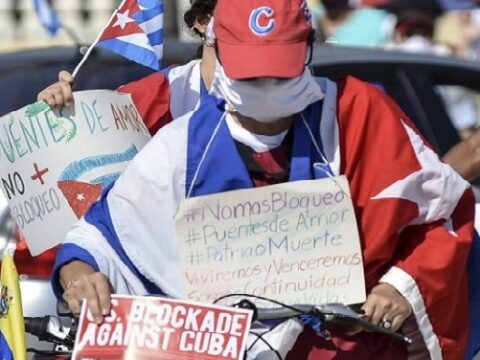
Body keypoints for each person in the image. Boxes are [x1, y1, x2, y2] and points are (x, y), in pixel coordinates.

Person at [46, 0, 474, 358]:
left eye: (280, 72)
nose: (268, 86)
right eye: (253, 74)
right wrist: (80, 273)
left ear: (307, 50)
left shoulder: (360, 115)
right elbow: (102, 236)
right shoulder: (178, 143)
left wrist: (400, 285)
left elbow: (444, 212)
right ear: (215, 46)